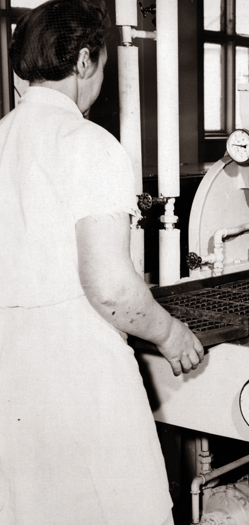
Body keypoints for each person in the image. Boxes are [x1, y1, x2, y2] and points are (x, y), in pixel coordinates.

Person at [0, 1, 204, 524]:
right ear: (85, 61)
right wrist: (171, 334)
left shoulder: (2, 136)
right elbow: (111, 288)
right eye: (104, 64)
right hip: (78, 376)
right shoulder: (88, 144)